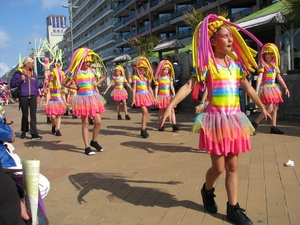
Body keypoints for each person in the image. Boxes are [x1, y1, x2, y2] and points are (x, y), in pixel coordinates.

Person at [161, 14, 271, 225]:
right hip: (215, 122)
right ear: (213, 40)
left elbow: (247, 87)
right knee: (218, 168)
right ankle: (207, 189)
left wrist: (261, 106)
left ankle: (233, 208)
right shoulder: (207, 65)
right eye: (225, 36)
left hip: (235, 120)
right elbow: (188, 86)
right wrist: (170, 105)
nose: (230, 40)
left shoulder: (236, 65)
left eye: (231, 36)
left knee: (232, 166)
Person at [62, 47, 106, 156]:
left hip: (93, 98)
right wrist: (74, 87)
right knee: (85, 123)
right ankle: (87, 146)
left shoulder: (92, 71)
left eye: (89, 62)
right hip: (82, 99)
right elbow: (64, 82)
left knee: (98, 121)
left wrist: (96, 84)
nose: (88, 64)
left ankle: (94, 141)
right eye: (86, 62)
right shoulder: (76, 72)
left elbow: (103, 77)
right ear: (81, 61)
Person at [251, 43, 290, 135]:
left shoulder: (275, 66)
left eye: (269, 53)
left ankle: (273, 126)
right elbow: (260, 77)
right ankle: (255, 123)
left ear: (274, 54)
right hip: (266, 88)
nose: (267, 56)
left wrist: (285, 87)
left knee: (275, 107)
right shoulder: (263, 66)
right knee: (269, 109)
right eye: (266, 54)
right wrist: (256, 90)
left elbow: (279, 78)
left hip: (274, 88)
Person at [10, 56, 42, 140]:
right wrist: (20, 80)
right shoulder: (19, 73)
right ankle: (24, 131)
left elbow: (36, 85)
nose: (33, 64)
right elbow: (12, 84)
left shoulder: (33, 73)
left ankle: (34, 134)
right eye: (32, 63)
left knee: (33, 115)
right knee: (25, 115)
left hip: (32, 97)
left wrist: (38, 95)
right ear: (27, 63)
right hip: (23, 97)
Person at [131, 56, 155, 138]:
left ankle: (143, 129)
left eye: (143, 68)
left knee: (145, 113)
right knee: (145, 112)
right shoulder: (135, 77)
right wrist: (133, 99)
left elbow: (149, 88)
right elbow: (134, 89)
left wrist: (153, 97)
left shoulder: (147, 77)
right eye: (140, 67)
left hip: (146, 95)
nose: (142, 69)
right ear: (137, 68)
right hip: (139, 96)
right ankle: (143, 130)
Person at [154, 60, 179, 132]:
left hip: (168, 96)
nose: (166, 71)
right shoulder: (159, 78)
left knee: (172, 110)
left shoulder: (169, 78)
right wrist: (155, 97)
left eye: (167, 69)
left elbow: (171, 86)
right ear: (161, 69)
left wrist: (174, 94)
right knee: (161, 111)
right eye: (165, 69)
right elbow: (156, 88)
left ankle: (174, 125)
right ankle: (161, 124)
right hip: (161, 97)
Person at [43, 62, 68, 136]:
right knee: (53, 116)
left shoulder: (61, 86)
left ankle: (58, 129)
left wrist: (66, 102)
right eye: (50, 75)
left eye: (52, 75)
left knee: (59, 116)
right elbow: (48, 94)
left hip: (59, 101)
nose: (50, 76)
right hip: (52, 102)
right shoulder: (49, 85)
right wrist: (47, 102)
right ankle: (53, 126)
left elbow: (63, 94)